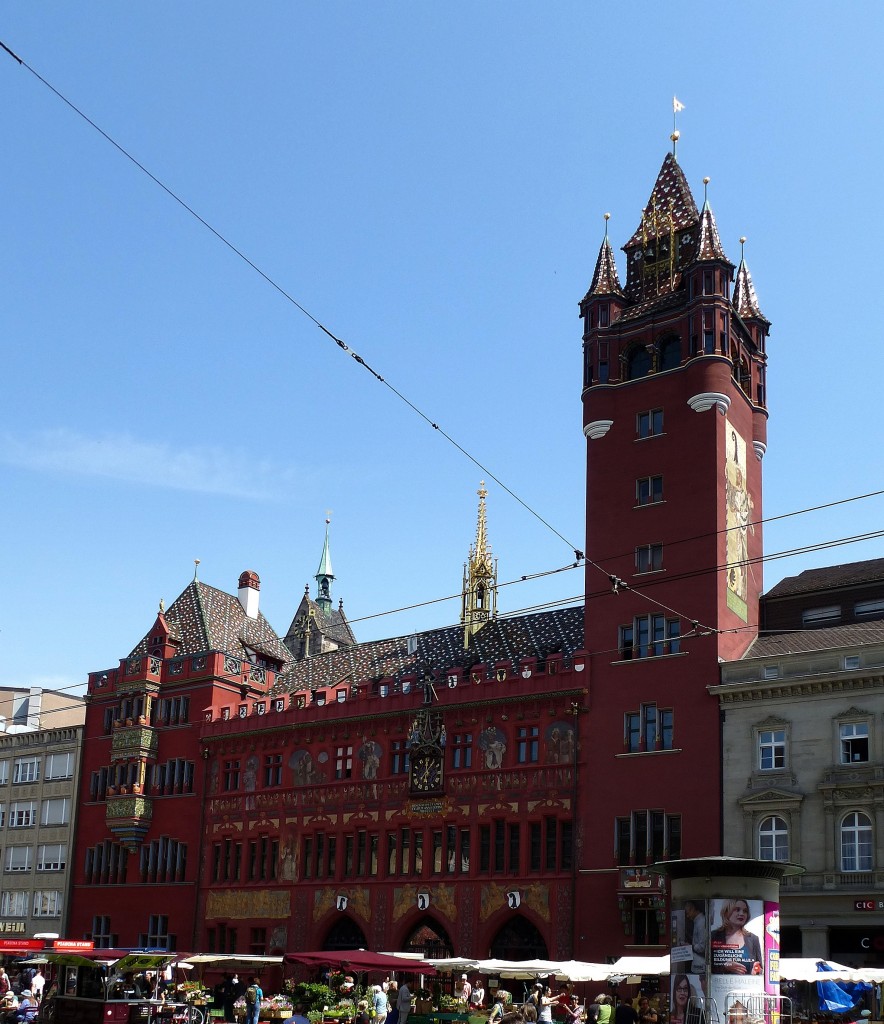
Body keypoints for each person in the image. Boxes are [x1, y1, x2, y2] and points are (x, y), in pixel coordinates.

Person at [710, 899, 762, 976]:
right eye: (737, 910)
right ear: (726, 912)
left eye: (745, 911)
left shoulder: (753, 939)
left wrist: (756, 971)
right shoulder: (714, 936)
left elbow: (759, 968)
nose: (742, 914)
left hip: (746, 986)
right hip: (721, 987)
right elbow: (707, 967)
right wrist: (725, 967)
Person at [684, 900, 707, 975]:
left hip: (700, 964)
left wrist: (691, 947)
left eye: (688, 913)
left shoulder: (701, 922)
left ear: (693, 909)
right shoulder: (698, 921)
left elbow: (702, 947)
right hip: (698, 963)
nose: (688, 916)